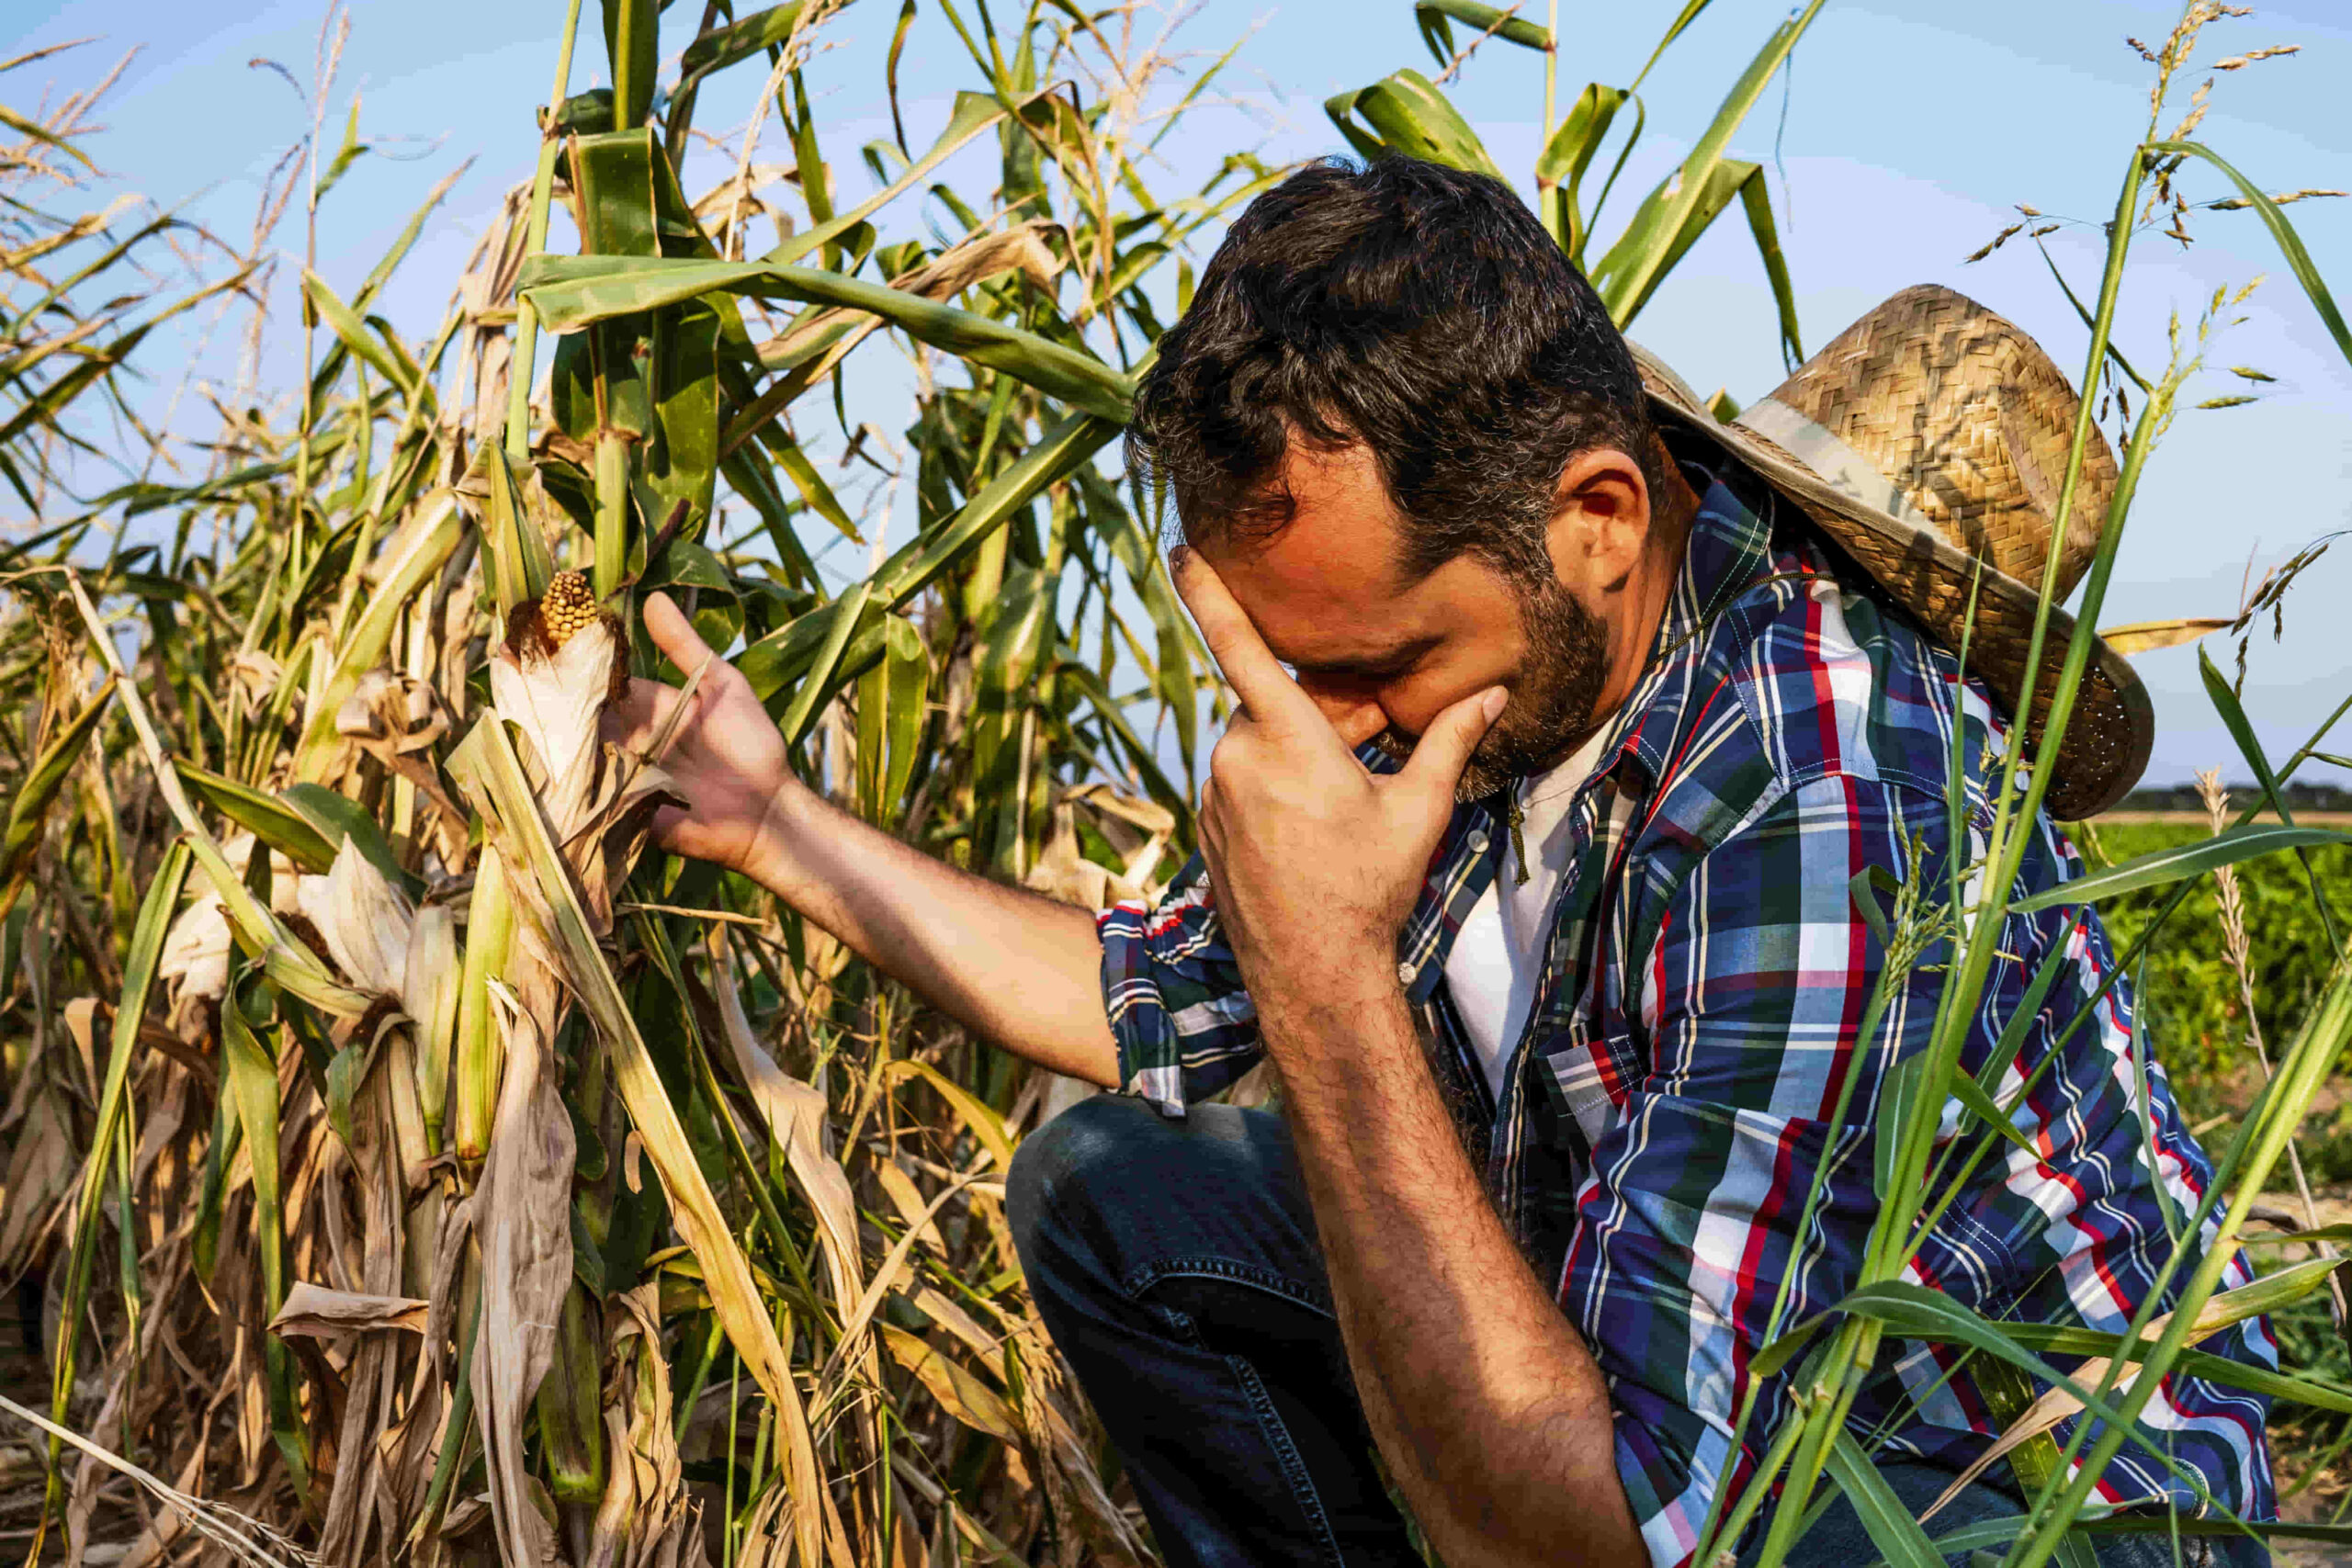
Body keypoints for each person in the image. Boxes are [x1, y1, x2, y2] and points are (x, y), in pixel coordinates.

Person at [608, 156, 2276, 1568]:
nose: (1319, 733)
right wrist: (774, 822)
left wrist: (1330, 979)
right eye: (1279, 666)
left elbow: (1640, 1523)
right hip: (1678, 1398)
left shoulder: (1827, 792)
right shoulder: (1492, 680)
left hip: (2017, 1490)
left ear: (1601, 521)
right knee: (1115, 1190)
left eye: (1367, 665)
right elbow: (1152, 997)